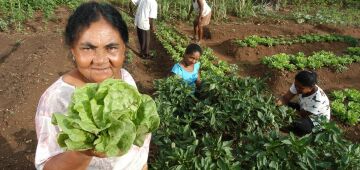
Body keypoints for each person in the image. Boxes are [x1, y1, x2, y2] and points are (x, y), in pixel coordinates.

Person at [34, 2, 151, 170]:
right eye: (88, 48)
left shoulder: (125, 78)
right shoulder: (57, 99)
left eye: (111, 47)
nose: (100, 60)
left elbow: (138, 143)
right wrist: (85, 149)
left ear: (124, 48)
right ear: (73, 50)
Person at [276, 70, 331, 136]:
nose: (297, 89)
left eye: (301, 88)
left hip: (316, 119)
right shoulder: (298, 84)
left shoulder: (318, 99)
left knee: (299, 125)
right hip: (304, 108)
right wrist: (277, 104)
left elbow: (302, 115)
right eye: (296, 85)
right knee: (284, 104)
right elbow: (286, 98)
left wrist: (285, 115)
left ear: (311, 87)